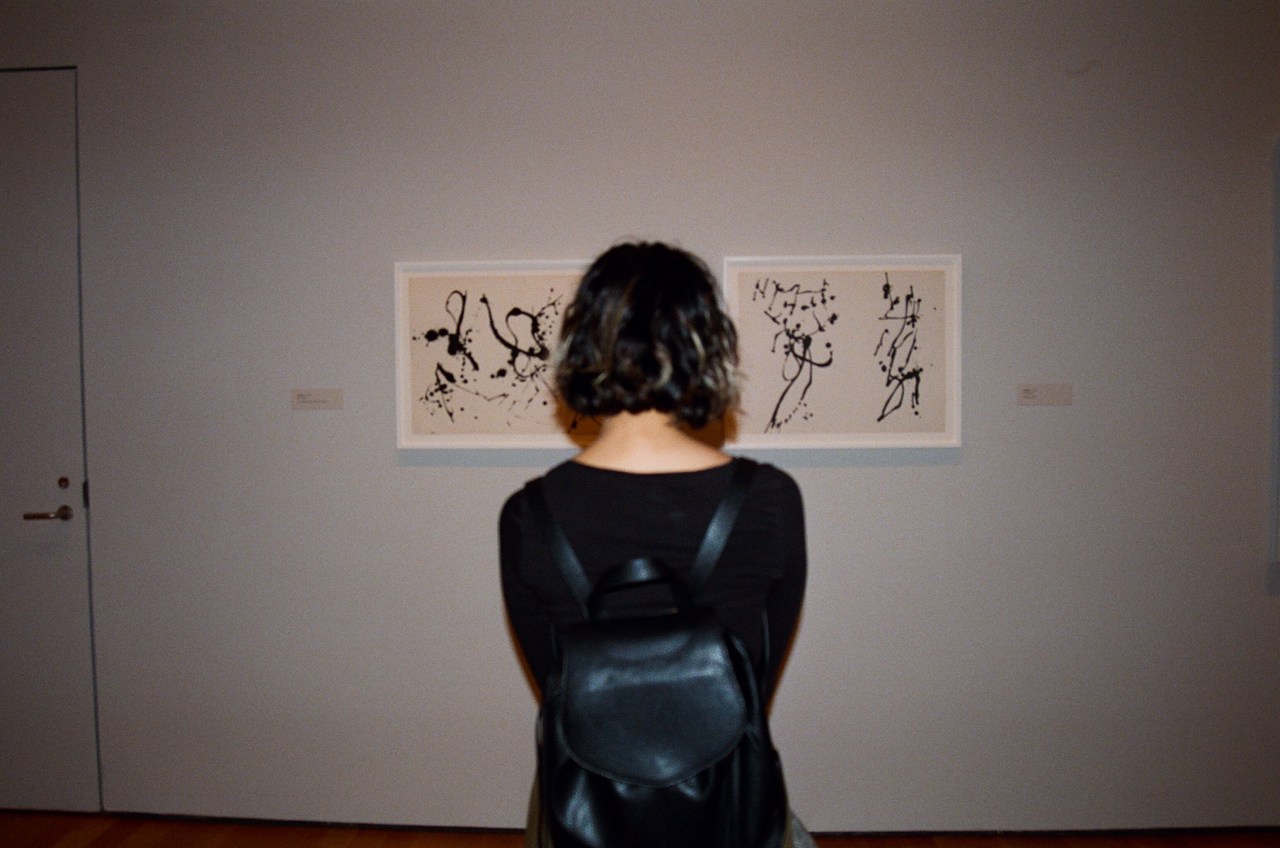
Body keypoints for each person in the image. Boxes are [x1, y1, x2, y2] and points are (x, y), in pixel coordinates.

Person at [499, 240, 811, 847]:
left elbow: (555, 682)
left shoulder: (527, 515)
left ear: (581, 347)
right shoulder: (770, 500)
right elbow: (757, 676)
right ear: (707, 347)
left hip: (585, 802)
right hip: (726, 795)